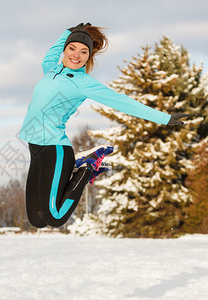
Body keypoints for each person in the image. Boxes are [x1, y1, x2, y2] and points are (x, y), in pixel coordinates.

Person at [19, 23, 188, 228]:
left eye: (84, 52)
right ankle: (81, 163)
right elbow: (51, 52)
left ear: (88, 57)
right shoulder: (50, 68)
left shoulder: (84, 83)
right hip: (35, 147)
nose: (76, 55)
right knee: (37, 219)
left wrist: (164, 118)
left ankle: (88, 167)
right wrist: (68, 33)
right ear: (65, 49)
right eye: (72, 48)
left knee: (55, 218)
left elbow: (122, 101)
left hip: (55, 149)